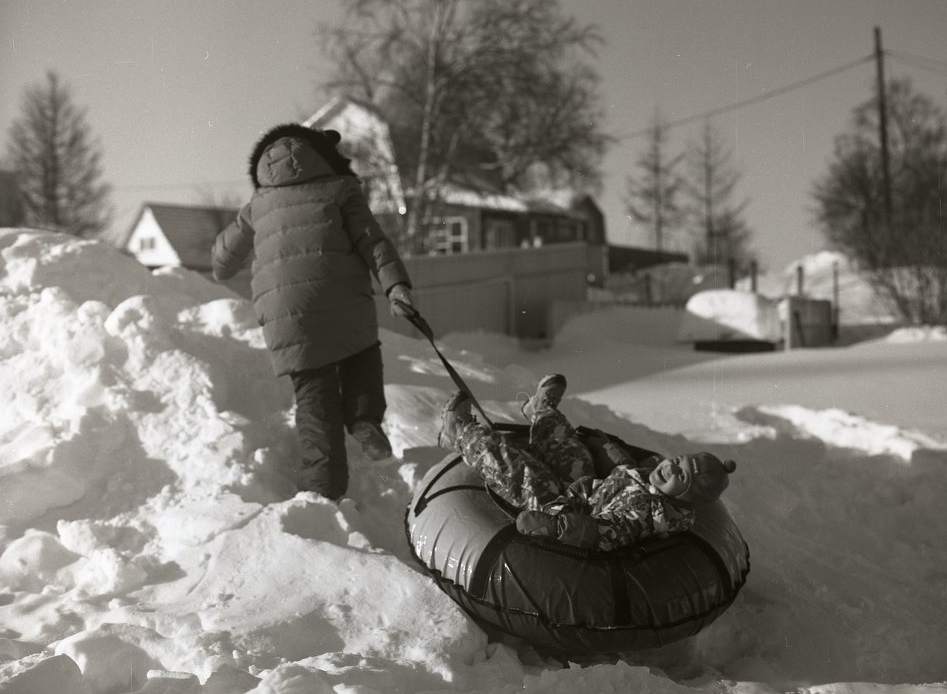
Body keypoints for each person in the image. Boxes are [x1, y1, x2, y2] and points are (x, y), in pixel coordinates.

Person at [212, 123, 414, 500]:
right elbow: (372, 241)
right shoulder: (340, 189)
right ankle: (364, 418)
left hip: (287, 316)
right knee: (361, 353)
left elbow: (222, 262)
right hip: (341, 298)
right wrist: (395, 285)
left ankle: (324, 490)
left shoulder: (258, 205)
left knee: (314, 399)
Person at [437, 374, 737, 551]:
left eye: (680, 476)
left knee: (522, 473)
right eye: (677, 461)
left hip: (564, 507)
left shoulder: (646, 513)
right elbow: (627, 471)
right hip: (586, 489)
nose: (670, 467)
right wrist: (608, 449)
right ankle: (541, 412)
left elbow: (604, 533)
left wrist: (558, 527)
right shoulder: (656, 482)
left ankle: (459, 433)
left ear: (682, 497)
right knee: (573, 452)